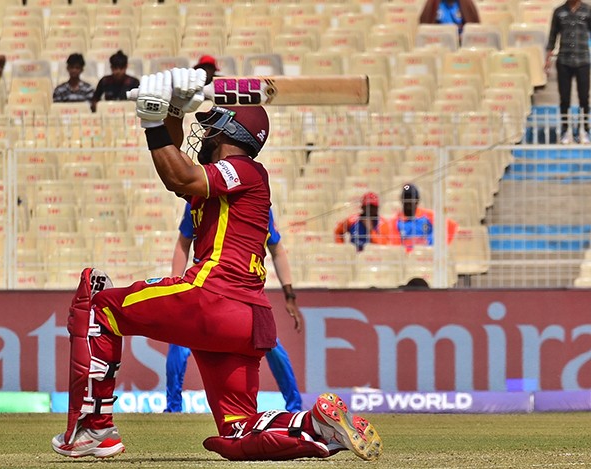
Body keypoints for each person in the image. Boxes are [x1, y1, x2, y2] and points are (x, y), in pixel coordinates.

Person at [51, 68, 382, 462]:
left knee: (99, 306)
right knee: (238, 429)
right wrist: (171, 108)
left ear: (231, 134)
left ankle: (92, 429)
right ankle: (315, 427)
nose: (203, 134)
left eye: (212, 128)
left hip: (215, 297)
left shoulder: (243, 169)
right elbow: (176, 176)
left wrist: (154, 119)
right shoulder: (230, 179)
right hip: (250, 320)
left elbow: (183, 175)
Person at [164, 203, 303, 414]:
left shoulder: (259, 205)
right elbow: (183, 243)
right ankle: (173, 409)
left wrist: (290, 295)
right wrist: (175, 283)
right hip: (205, 286)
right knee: (179, 339)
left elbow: (277, 249)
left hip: (243, 289)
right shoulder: (198, 199)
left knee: (271, 344)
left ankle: (295, 408)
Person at [545, 0, 591, 145]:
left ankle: (584, 129)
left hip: (583, 60)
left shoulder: (588, 10)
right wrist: (547, 59)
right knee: (564, 98)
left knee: (584, 97)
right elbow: (552, 37)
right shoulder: (558, 11)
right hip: (564, 61)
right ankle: (566, 131)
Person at [386, 183, 458, 252]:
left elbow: (451, 226)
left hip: (428, 258)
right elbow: (397, 248)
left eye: (412, 198)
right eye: (406, 198)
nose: (408, 202)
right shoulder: (395, 221)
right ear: (401, 200)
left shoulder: (429, 215)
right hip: (408, 261)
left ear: (417, 200)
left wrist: (434, 243)